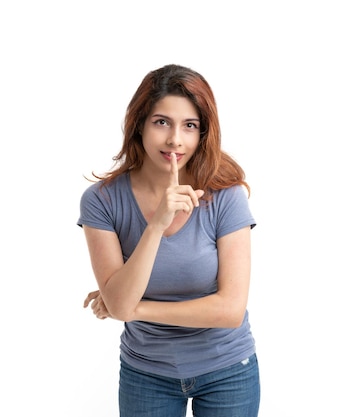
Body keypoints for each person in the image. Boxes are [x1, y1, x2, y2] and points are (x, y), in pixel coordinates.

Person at [78, 64, 260, 417]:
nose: (175, 139)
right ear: (140, 125)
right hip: (146, 373)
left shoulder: (226, 194)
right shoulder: (102, 200)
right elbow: (119, 301)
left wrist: (131, 309)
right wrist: (156, 226)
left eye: (189, 126)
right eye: (162, 122)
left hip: (227, 370)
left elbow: (230, 310)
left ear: (202, 134)